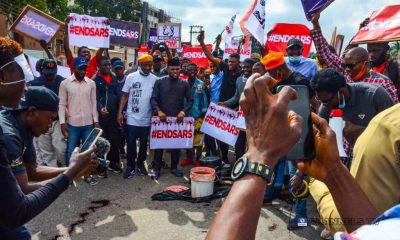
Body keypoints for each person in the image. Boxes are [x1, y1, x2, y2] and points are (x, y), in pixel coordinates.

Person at [206, 73, 379, 239]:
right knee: (297, 188)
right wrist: (333, 171)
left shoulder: (375, 95)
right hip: (320, 160)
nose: (324, 104)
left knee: (298, 191)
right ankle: (301, 216)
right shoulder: (386, 229)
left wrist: (258, 155)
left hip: (323, 158)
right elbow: (371, 233)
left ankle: (302, 217)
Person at [0, 37, 95, 240]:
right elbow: (20, 207)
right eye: (23, 80)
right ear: (2, 77)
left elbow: (31, 170)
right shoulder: (7, 135)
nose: (26, 89)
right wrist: (71, 173)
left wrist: (72, 169)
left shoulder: (23, 127)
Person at [310, 103, 400, 236]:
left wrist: (320, 180)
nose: (325, 104)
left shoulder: (386, 128)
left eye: (328, 100)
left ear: (340, 91)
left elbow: (365, 227)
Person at [262, 51, 317, 229]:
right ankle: (270, 194)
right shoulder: (277, 84)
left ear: (278, 70)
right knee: (272, 169)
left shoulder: (302, 82)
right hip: (279, 135)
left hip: (297, 137)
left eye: (271, 73)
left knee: (297, 176)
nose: (271, 77)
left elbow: (313, 107)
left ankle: (301, 217)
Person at [311, 69, 394, 165]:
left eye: (325, 101)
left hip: (383, 157)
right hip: (354, 156)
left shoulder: (374, 95)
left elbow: (394, 132)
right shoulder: (327, 104)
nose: (324, 105)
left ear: (341, 92)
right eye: (319, 100)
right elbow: (316, 135)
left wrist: (360, 131)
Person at [310, 13, 399, 103]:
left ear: (365, 63)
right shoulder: (345, 76)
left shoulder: (382, 82)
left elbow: (393, 109)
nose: (347, 69)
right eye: (345, 66)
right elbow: (324, 53)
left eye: (350, 66)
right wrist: (315, 23)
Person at [199, 31, 242, 167]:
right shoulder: (225, 68)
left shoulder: (243, 75)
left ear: (238, 63)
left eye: (233, 62)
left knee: (238, 138)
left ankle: (239, 162)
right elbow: (211, 56)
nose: (229, 64)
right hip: (222, 108)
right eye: (228, 61)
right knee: (221, 136)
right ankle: (224, 159)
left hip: (236, 109)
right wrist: (201, 42)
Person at [59, 56, 100, 185]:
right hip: (73, 124)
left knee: (88, 151)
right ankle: (68, 177)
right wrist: (62, 122)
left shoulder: (91, 83)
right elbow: (61, 104)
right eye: (80, 68)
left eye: (85, 68)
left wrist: (96, 120)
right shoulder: (65, 83)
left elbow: (94, 103)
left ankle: (87, 174)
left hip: (88, 123)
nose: (83, 71)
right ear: (74, 68)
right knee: (71, 150)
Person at [150, 58, 193, 179]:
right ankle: (156, 168)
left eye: (177, 69)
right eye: (172, 69)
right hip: (161, 120)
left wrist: (183, 112)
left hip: (177, 120)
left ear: (180, 69)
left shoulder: (184, 83)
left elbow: (190, 100)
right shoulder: (159, 81)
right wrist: (159, 111)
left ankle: (174, 167)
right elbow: (153, 99)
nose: (175, 71)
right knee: (159, 146)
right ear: (167, 69)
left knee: (176, 145)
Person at [118, 54, 158, 179]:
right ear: (140, 65)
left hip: (147, 117)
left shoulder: (155, 79)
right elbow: (124, 95)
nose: (147, 67)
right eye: (145, 65)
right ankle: (130, 166)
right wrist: (119, 113)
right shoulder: (131, 77)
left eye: (149, 65)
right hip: (132, 117)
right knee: (130, 143)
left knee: (143, 143)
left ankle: (141, 164)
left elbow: (156, 99)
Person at [30, 59, 66, 167]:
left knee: (60, 147)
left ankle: (65, 169)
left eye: (53, 72)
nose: (50, 75)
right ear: (43, 71)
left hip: (57, 120)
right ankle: (54, 175)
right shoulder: (36, 83)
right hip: (42, 121)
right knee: (46, 151)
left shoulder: (62, 81)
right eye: (48, 73)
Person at [219, 58, 256, 162]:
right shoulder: (239, 80)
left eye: (248, 67)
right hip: (241, 118)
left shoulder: (258, 81)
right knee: (239, 144)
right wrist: (224, 103)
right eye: (243, 67)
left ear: (253, 68)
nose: (245, 69)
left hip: (254, 119)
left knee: (252, 146)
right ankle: (240, 166)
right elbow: (236, 97)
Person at [93, 56, 122, 174]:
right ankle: (98, 167)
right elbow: (94, 98)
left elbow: (118, 96)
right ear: (99, 66)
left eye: (109, 65)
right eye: (105, 65)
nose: (108, 67)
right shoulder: (94, 80)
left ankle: (112, 164)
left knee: (114, 141)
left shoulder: (114, 78)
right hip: (100, 117)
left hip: (113, 115)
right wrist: (100, 108)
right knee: (99, 143)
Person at [180, 63, 208, 167]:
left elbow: (204, 100)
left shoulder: (200, 84)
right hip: (185, 116)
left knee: (199, 140)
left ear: (197, 70)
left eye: (194, 70)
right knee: (187, 139)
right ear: (186, 70)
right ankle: (189, 157)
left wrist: (203, 113)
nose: (192, 72)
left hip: (197, 116)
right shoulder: (182, 83)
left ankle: (198, 159)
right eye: (190, 70)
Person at [112, 59, 127, 158]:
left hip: (126, 110)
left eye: (120, 69)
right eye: (116, 69)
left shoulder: (129, 79)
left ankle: (124, 149)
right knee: (117, 132)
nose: (118, 71)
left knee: (125, 132)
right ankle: (120, 149)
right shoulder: (112, 80)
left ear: (124, 69)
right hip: (115, 110)